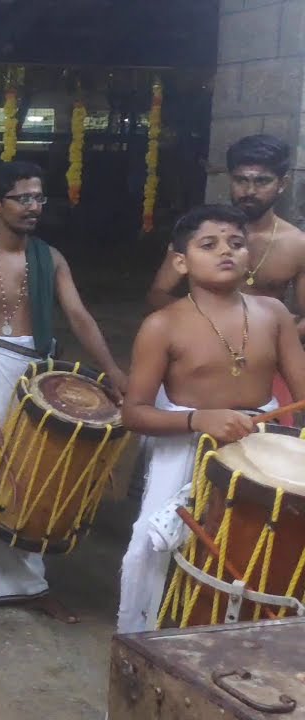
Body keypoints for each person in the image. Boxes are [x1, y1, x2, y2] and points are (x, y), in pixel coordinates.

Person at [0, 161, 128, 634]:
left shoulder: (50, 259)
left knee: (31, 471)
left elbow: (79, 317)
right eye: (22, 198)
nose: (33, 206)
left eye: (39, 197)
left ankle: (28, 585)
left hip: (36, 371)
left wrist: (113, 371)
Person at [117, 204, 305, 633]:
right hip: (185, 445)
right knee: (147, 548)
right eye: (209, 244)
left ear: (249, 257)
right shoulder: (162, 325)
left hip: (257, 446)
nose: (226, 251)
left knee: (254, 551)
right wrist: (197, 420)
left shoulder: (273, 314)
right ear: (180, 262)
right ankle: (136, 641)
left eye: (236, 243)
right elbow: (133, 413)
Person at [146, 135, 305, 422]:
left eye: (262, 181)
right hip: (199, 356)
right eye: (241, 180)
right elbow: (158, 293)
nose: (250, 191)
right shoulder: (198, 233)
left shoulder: (297, 245)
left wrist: (273, 331)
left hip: (263, 360)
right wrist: (204, 323)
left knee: (265, 435)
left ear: (282, 184)